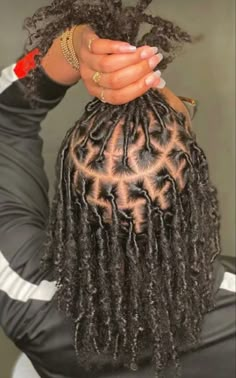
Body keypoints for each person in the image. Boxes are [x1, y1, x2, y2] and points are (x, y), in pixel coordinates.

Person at [0, 1, 235, 377]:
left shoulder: (24, 297)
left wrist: (69, 52)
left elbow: (5, 118)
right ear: (194, 198)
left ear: (71, 212)